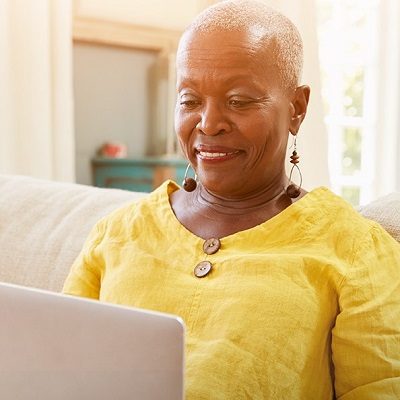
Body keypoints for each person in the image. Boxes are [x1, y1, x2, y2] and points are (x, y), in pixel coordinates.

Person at [63, 1, 400, 398]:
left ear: (297, 108)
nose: (208, 124)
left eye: (238, 100)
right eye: (189, 100)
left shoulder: (354, 249)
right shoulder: (117, 232)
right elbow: (56, 365)